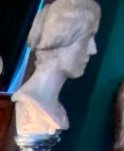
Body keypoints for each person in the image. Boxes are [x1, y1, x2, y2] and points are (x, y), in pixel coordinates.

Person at [12, 0, 101, 135]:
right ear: (59, 39)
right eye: (86, 38)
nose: (93, 49)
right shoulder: (30, 106)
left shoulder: (54, 108)